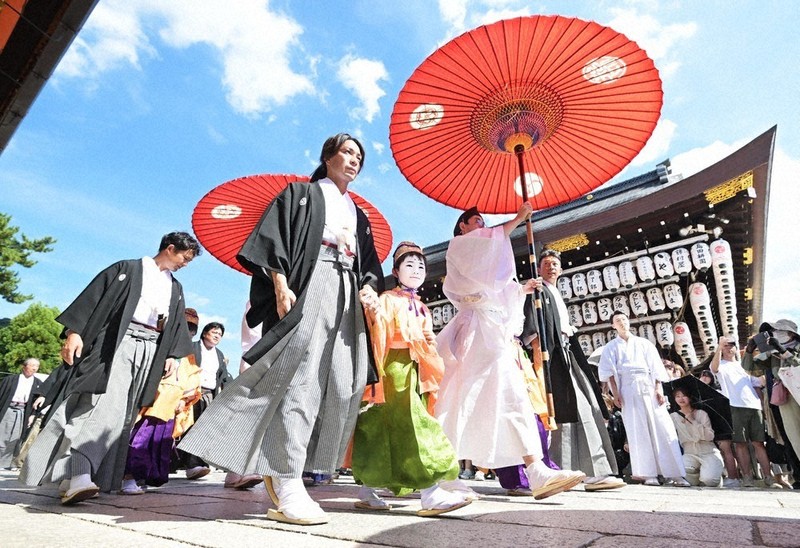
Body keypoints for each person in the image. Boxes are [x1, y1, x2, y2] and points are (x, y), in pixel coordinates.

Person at [178, 133, 384, 526]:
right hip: (313, 282)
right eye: (347, 152)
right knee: (300, 379)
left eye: (360, 156)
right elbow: (272, 243)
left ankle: (303, 466)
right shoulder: (299, 194)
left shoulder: (358, 214)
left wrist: (371, 288)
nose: (355, 160)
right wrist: (280, 284)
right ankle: (285, 477)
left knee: (346, 382)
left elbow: (370, 265)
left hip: (347, 294)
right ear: (327, 157)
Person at [20, 231, 199, 504]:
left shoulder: (175, 287)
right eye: (184, 257)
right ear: (170, 248)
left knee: (123, 416)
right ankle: (78, 473)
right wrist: (74, 332)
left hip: (151, 349)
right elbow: (92, 299)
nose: (185, 264)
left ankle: (75, 477)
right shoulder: (126, 269)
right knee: (102, 407)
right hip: (117, 343)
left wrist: (172, 355)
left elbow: (173, 327)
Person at [435, 205, 585, 500]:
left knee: (513, 398)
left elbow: (497, 286)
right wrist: (518, 219)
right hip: (476, 331)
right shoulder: (460, 246)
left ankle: (535, 469)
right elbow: (486, 266)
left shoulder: (481, 251)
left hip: (497, 335)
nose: (484, 227)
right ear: (462, 226)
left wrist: (521, 291)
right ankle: (445, 471)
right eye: (477, 221)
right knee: (461, 398)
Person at [351, 242, 469, 516]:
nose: (416, 271)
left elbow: (427, 338)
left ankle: (367, 488)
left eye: (421, 266)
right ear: (395, 270)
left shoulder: (422, 306)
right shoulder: (387, 299)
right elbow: (376, 324)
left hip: (415, 368)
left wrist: (428, 341)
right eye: (409, 265)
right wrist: (373, 309)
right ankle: (429, 491)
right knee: (414, 423)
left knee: (388, 426)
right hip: (392, 368)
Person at [524, 250, 625, 492]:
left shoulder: (554, 292)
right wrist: (540, 357)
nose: (551, 268)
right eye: (546, 264)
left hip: (567, 352)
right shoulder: (537, 291)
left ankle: (579, 470)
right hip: (552, 357)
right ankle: (577, 471)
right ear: (539, 268)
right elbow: (532, 332)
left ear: (562, 270)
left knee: (586, 406)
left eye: (555, 264)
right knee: (568, 410)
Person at [598, 311, 689, 486]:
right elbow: (609, 374)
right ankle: (648, 474)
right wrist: (616, 394)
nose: (622, 322)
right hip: (627, 388)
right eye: (618, 321)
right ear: (613, 326)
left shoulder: (644, 343)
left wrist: (658, 389)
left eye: (624, 319)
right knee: (637, 430)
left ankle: (674, 473)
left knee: (662, 427)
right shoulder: (611, 347)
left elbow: (655, 367)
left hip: (648, 385)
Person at [121, 308, 203, 493]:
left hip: (173, 404)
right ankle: (128, 478)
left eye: (191, 329)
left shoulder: (188, 354)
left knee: (160, 445)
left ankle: (143, 478)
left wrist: (185, 399)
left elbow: (192, 377)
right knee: (140, 441)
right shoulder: (160, 345)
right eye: (185, 327)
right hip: (154, 402)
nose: (188, 333)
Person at [714, 334, 781, 488]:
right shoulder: (721, 365)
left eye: (731, 344)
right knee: (740, 443)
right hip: (735, 406)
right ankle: (747, 477)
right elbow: (714, 368)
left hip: (754, 405)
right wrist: (719, 347)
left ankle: (768, 477)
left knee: (759, 443)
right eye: (726, 345)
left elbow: (759, 382)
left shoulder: (744, 365)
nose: (729, 347)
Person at [742, 320, 800, 489]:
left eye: (777, 330)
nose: (774, 333)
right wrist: (749, 350)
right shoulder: (771, 353)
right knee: (790, 437)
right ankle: (798, 475)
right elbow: (751, 368)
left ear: (790, 333)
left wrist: (784, 352)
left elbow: (797, 366)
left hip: (797, 394)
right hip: (783, 399)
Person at [176, 322, 233, 481]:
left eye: (220, 334)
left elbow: (223, 376)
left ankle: (197, 464)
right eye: (214, 332)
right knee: (188, 428)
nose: (217, 336)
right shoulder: (192, 348)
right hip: (191, 393)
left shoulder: (219, 354)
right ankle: (190, 464)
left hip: (209, 395)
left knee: (203, 430)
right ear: (204, 333)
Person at [670, 387, 724, 486]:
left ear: (690, 398)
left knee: (709, 480)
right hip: (689, 453)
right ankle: (697, 478)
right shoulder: (673, 416)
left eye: (684, 395)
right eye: (678, 396)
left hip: (708, 452)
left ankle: (712, 476)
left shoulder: (701, 414)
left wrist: (693, 421)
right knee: (682, 474)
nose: (681, 398)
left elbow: (709, 436)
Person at [0, 358, 43, 469]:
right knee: (2, 435)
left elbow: (37, 404)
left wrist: (33, 415)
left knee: (16, 437)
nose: (34, 368)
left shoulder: (38, 383)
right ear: (24, 366)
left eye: (37, 366)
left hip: (23, 412)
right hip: (8, 409)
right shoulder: (10, 380)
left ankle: (8, 463)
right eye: (32, 365)